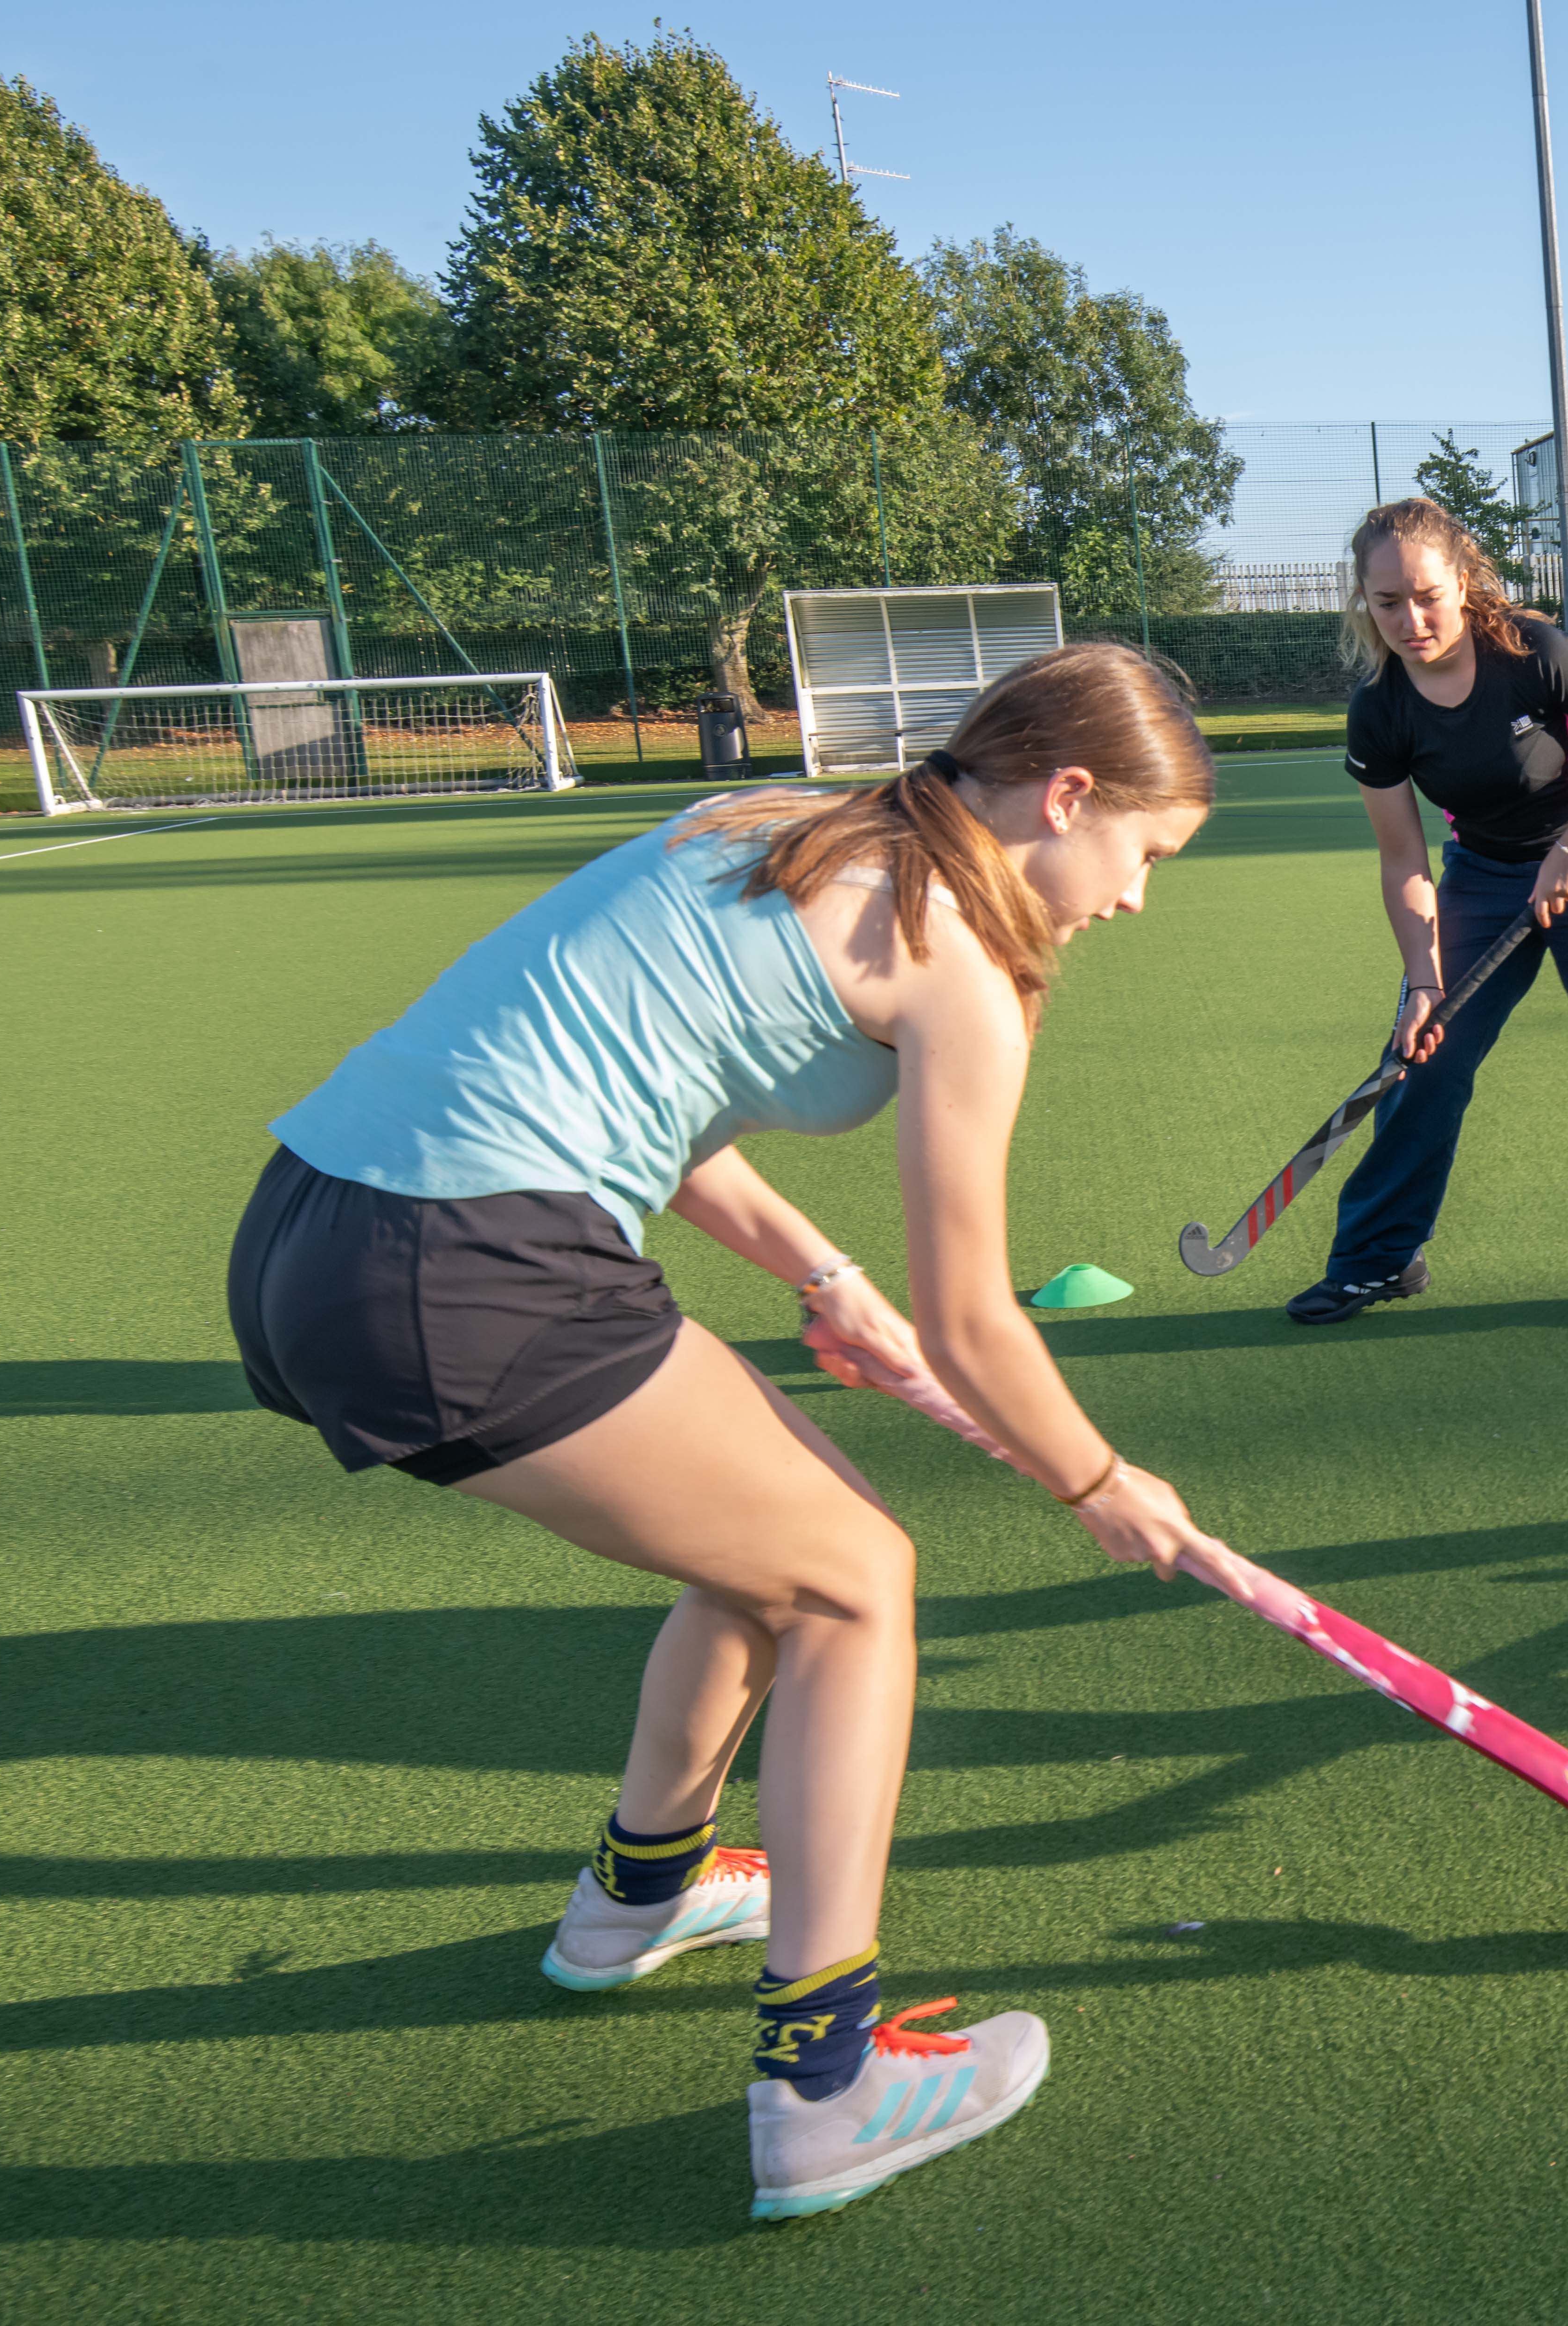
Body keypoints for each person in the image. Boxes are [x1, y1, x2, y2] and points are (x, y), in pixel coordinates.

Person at [225, 646, 1228, 2217]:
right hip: (471, 1258)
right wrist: (1099, 1480)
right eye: (1146, 856)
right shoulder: (959, 963)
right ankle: (825, 2081)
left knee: (784, 1536)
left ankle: (638, 1894)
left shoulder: (764, 820)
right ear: (1069, 794)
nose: (1135, 901)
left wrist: (826, 1277)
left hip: (309, 1229)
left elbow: (654, 1097)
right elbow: (978, 1319)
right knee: (857, 1579)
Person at [1284, 497, 1568, 1330]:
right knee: (1422, 1058)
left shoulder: (1533, 654)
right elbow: (1403, 861)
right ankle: (1376, 1262)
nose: (1411, 620)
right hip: (1480, 879)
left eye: (1428, 595)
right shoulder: (1381, 707)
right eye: (1387, 603)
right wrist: (1420, 984)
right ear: (1363, 605)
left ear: (1463, 581)